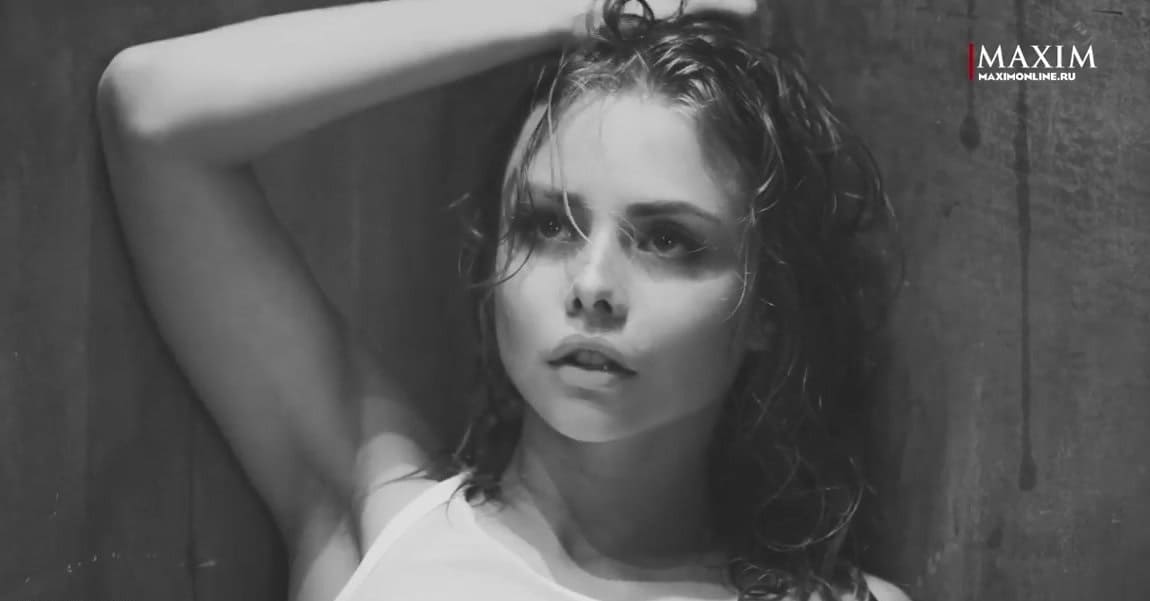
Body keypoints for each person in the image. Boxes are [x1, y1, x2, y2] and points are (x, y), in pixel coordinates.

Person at [95, 0, 910, 599]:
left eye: (666, 239)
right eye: (547, 225)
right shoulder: (382, 520)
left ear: (767, 304)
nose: (592, 286)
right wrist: (574, 13)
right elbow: (149, 109)